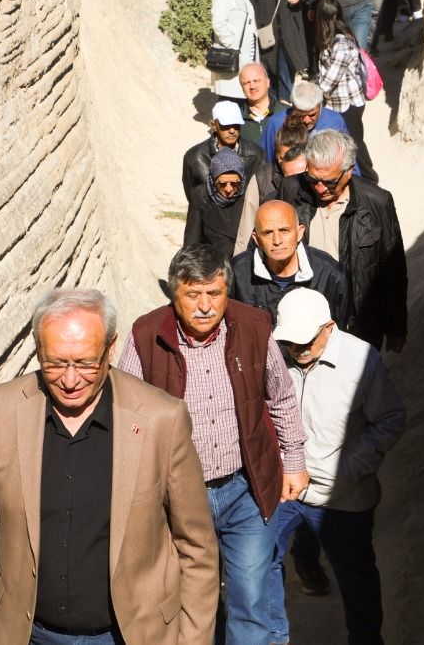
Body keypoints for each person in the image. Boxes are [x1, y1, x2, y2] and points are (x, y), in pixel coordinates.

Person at [0, 288, 219, 645]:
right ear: (38, 349)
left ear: (111, 349)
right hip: (28, 636)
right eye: (54, 363)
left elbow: (196, 548)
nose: (70, 381)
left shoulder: (161, 420)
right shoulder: (2, 411)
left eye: (85, 363)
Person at [118, 246, 310, 645]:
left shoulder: (254, 328)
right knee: (190, 599)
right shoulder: (146, 337)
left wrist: (293, 461)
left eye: (215, 294)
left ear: (227, 291)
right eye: (193, 295)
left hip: (247, 489)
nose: (205, 306)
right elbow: (125, 416)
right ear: (175, 295)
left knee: (250, 596)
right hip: (180, 496)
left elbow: (281, 397)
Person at [265, 289, 406, 645]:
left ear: (329, 327)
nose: (297, 350)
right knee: (260, 566)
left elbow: (389, 419)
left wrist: (347, 470)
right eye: (290, 343)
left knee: (356, 581)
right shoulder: (277, 355)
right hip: (285, 491)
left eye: (305, 341)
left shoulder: (362, 361)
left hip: (342, 498)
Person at [285, 131, 406, 352]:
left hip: (359, 323)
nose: (320, 188)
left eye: (329, 182)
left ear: (349, 171)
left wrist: (396, 327)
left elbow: (393, 269)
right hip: (303, 320)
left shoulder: (377, 203)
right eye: (313, 180)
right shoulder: (291, 191)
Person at [230, 200, 352, 328]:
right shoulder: (237, 272)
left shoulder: (330, 274)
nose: (277, 241)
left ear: (299, 233)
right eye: (268, 233)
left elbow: (343, 331)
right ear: (256, 239)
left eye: (284, 231)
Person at [311, 0, 377, 183]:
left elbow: (328, 82)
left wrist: (309, 92)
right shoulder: (332, 40)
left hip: (348, 104)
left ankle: (370, 178)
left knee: (355, 142)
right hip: (338, 103)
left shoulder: (341, 45)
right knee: (348, 142)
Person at [249, 0, 315, 105]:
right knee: (269, 71)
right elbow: (249, 1)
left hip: (289, 30)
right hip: (267, 33)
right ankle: (272, 105)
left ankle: (283, 105)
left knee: (287, 70)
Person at [182, 100, 271, 200]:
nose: (232, 130)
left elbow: (262, 190)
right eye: (226, 125)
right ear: (213, 125)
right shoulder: (195, 157)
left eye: (236, 125)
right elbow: (192, 195)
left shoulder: (256, 155)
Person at [185, 148, 262, 260]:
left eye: (235, 183)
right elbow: (192, 241)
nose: (229, 189)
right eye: (222, 184)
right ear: (213, 180)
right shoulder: (200, 197)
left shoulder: (250, 195)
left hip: (244, 262)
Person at [261, 79, 348, 171]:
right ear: (293, 107)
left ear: (320, 106)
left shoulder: (334, 122)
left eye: (312, 115)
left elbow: (348, 161)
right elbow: (266, 162)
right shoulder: (276, 123)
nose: (307, 120)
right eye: (301, 115)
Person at [210, 0, 256, 101]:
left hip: (244, 54)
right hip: (232, 52)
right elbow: (218, 22)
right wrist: (231, 43)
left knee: (241, 91)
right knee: (229, 94)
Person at [236, 61, 283, 150]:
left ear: (268, 82)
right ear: (242, 88)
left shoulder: (286, 113)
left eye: (256, 81)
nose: (252, 86)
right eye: (246, 83)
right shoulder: (235, 118)